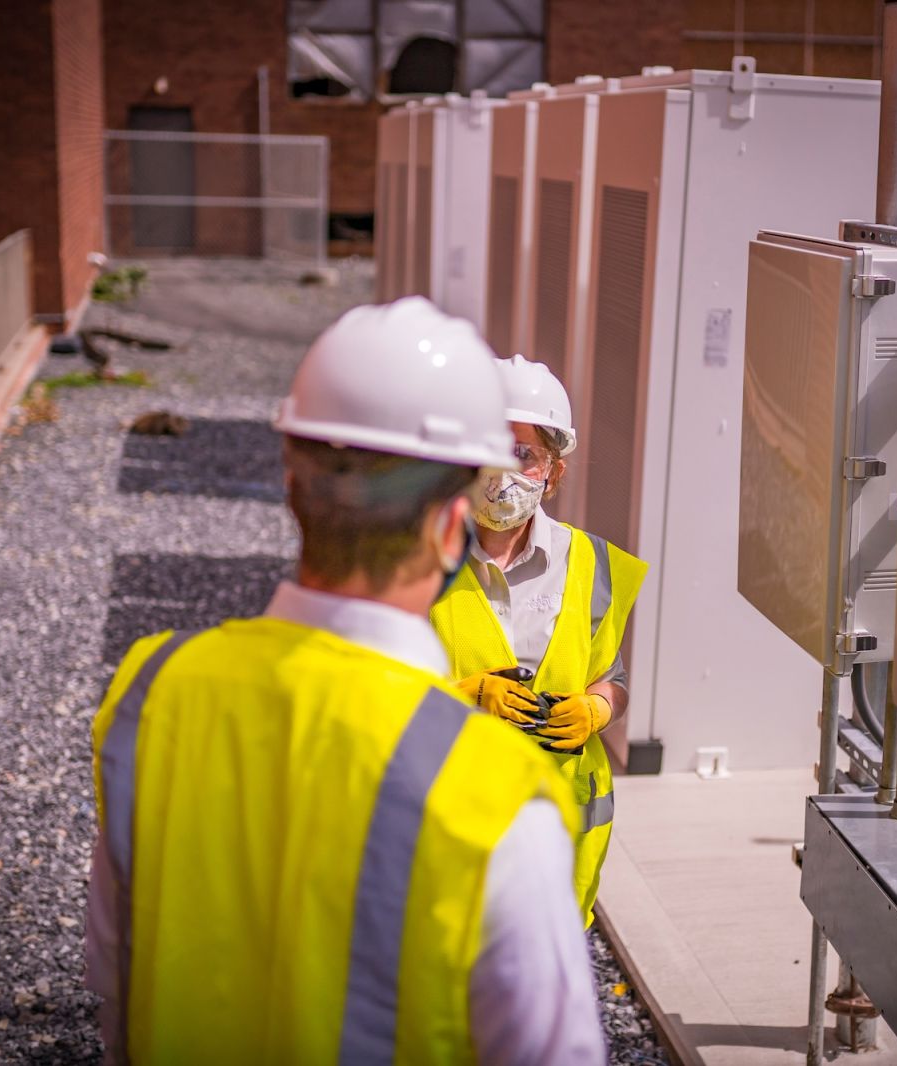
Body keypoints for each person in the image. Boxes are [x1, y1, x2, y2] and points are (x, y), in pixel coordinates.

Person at [84, 298, 606, 1064]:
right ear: (449, 525)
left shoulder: (150, 690)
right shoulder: (494, 797)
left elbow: (111, 972)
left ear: (292, 489)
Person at [430, 355, 647, 927]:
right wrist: (464, 695)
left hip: (553, 839)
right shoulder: (419, 561)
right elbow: (372, 692)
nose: (504, 470)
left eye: (524, 454)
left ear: (553, 471)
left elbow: (613, 680)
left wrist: (596, 710)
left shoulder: (591, 564)